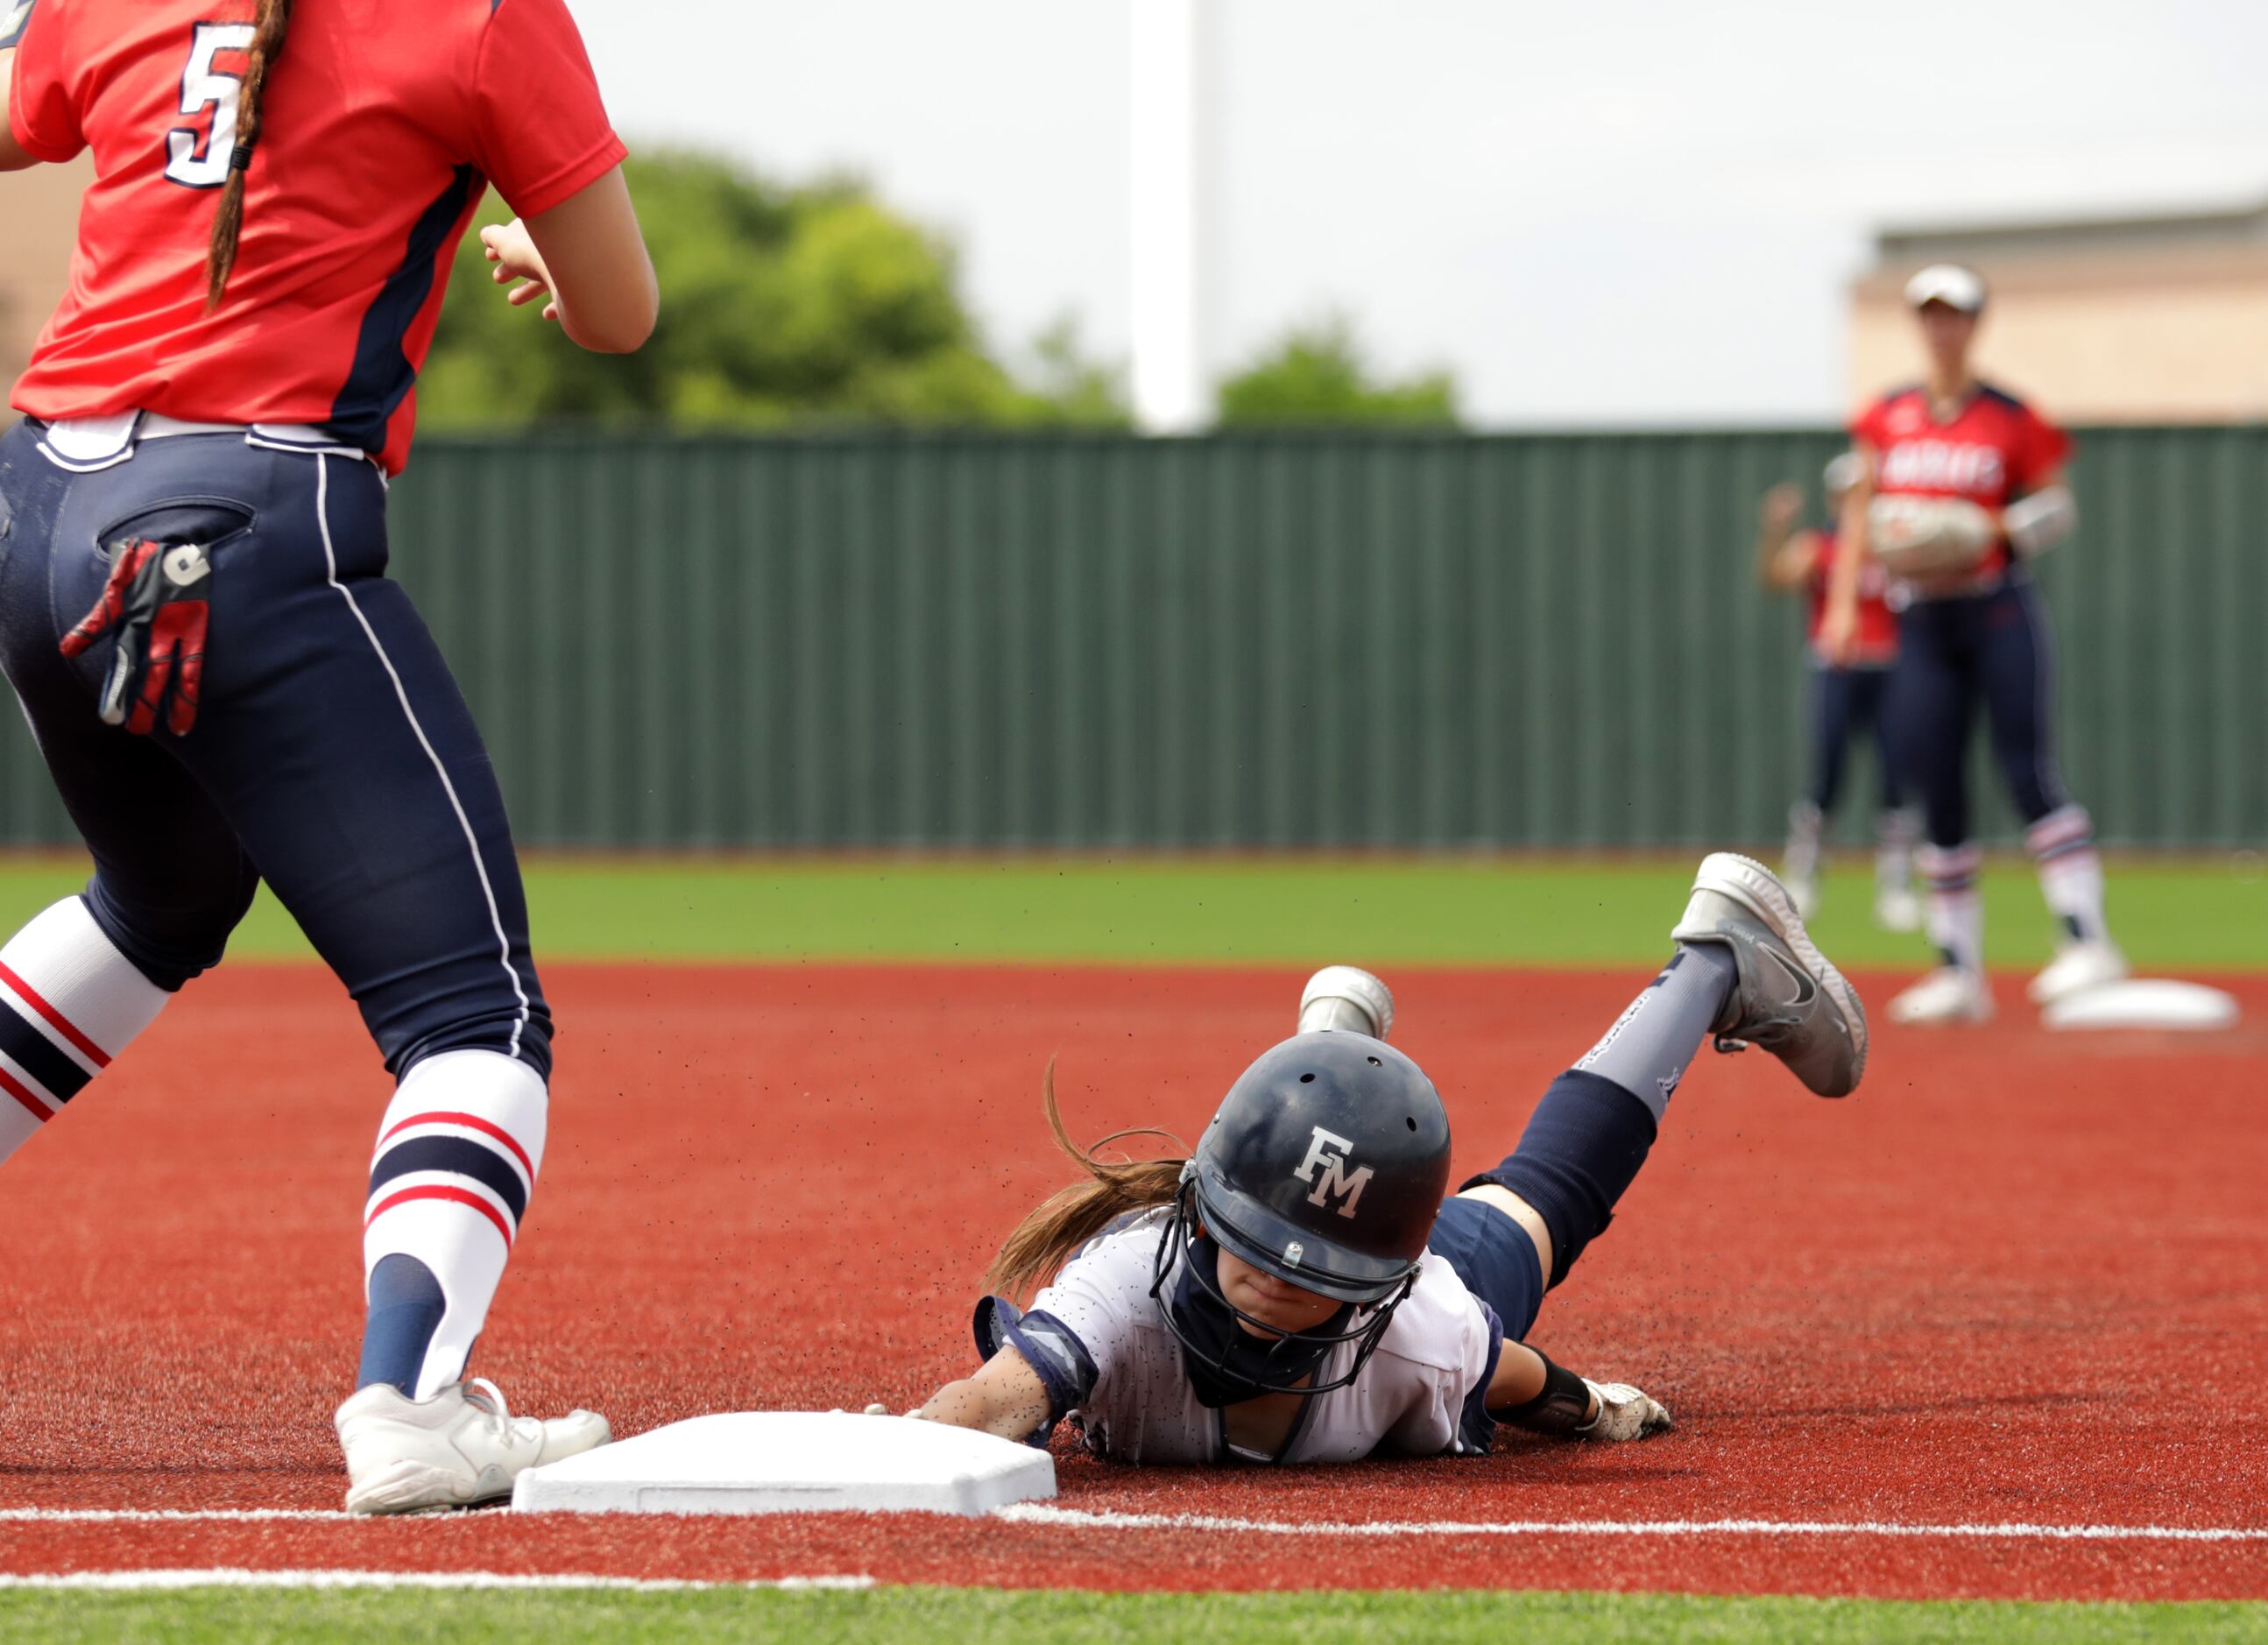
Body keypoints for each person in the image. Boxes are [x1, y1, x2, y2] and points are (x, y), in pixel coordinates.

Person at [0, 0, 656, 1513]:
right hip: (245, 516)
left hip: (32, 504)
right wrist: (541, 247)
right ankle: (410, 1402)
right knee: (472, 1012)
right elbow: (619, 314)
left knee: (161, 896)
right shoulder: (485, 16)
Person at [899, 856, 1865, 1463]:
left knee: (1548, 1202)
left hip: (1389, 1233)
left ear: (1379, 1290)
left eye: (1306, 1274)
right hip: (1364, 1232)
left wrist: (1597, 1407)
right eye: (1260, 1250)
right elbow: (998, 1397)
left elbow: (1520, 1378)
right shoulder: (1123, 1288)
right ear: (1199, 1217)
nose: (1278, 1285)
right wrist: (904, 1447)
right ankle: (1333, 1050)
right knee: (1418, 1188)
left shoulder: (1423, 1323)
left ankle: (1716, 960)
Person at [1823, 265, 2122, 1027]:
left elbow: (2056, 507)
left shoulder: (2010, 416)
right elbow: (1859, 512)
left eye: (1952, 314)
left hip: (1995, 609)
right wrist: (1841, 603)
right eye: (1927, 314)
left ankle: (2085, 941)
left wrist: (1989, 527)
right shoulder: (1886, 414)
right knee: (1936, 788)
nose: (1939, 327)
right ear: (1915, 324)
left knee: (2026, 768)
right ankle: (1957, 969)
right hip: (1920, 618)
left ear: (1974, 323)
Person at [1756, 458, 1919, 930]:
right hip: (1837, 668)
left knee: (1897, 778)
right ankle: (1803, 875)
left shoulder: (1895, 550)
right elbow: (1774, 578)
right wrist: (1773, 531)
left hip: (1890, 669)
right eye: (1845, 494)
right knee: (1827, 774)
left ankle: (1896, 886)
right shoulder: (1819, 547)